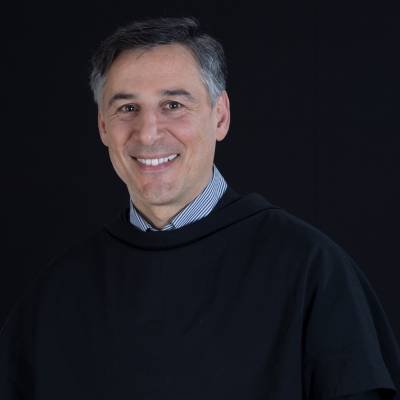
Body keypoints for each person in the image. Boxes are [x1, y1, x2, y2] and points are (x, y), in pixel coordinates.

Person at [0, 16, 399, 400]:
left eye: (173, 105)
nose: (148, 133)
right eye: (127, 108)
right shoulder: (56, 297)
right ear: (104, 126)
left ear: (220, 116)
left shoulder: (311, 272)